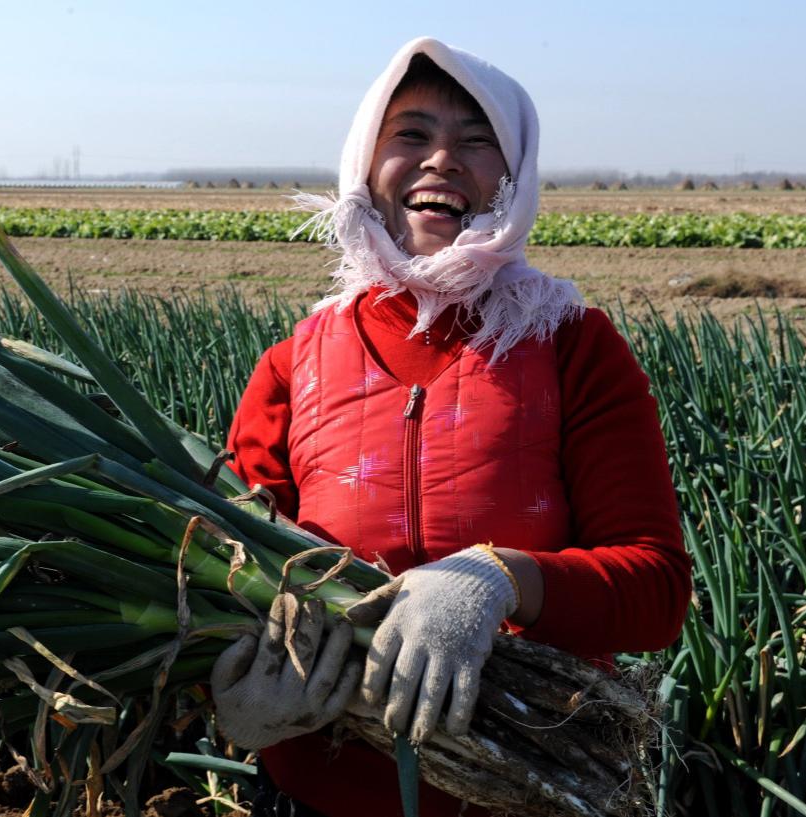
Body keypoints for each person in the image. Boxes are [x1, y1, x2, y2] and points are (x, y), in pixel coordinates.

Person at [208, 37, 692, 817]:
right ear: (365, 162)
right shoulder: (294, 363)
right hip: (314, 791)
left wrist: (498, 577)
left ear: (511, 175)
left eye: (475, 140)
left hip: (526, 786)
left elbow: (656, 589)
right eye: (410, 135)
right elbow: (225, 570)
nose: (441, 159)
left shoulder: (570, 345)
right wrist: (235, 703)